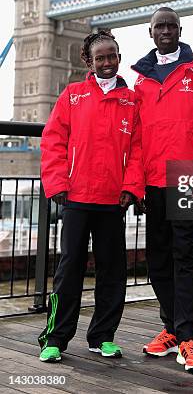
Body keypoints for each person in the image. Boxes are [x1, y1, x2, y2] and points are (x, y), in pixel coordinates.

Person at [131, 7, 193, 376]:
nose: (166, 31)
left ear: (180, 29)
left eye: (172, 25)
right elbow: (136, 136)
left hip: (187, 175)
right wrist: (136, 180)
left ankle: (190, 338)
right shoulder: (139, 79)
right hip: (152, 180)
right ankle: (171, 327)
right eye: (160, 26)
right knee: (158, 259)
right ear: (150, 32)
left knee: (184, 257)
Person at [38, 29, 144, 363]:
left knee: (112, 270)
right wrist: (57, 184)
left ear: (119, 57)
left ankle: (103, 336)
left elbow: (139, 149)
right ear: (89, 61)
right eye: (100, 57)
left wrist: (131, 187)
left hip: (114, 199)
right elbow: (53, 141)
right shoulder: (72, 96)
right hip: (76, 197)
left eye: (112, 55)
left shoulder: (132, 101)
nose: (108, 62)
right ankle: (55, 338)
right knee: (68, 269)